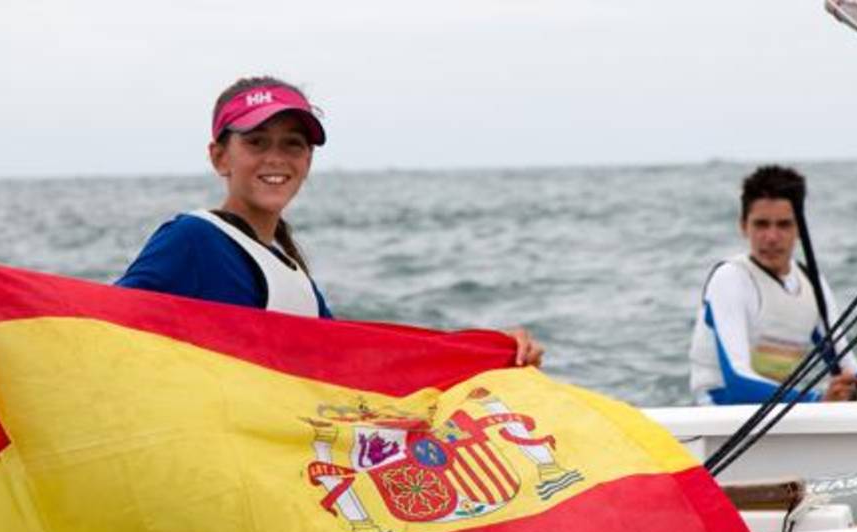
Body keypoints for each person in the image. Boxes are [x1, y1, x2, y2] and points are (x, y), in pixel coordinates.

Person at [117, 75, 543, 366]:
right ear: (219, 156)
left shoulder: (289, 270)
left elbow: (351, 361)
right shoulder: (194, 239)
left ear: (308, 159)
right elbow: (98, 331)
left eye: (293, 144)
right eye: (257, 142)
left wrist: (485, 352)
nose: (276, 158)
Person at [688, 165, 857, 405]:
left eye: (783, 225)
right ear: (743, 226)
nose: (771, 237)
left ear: (800, 228)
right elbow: (738, 383)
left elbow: (848, 377)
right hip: (718, 419)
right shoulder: (730, 278)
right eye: (761, 224)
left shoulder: (812, 284)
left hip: (778, 416)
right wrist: (817, 400)